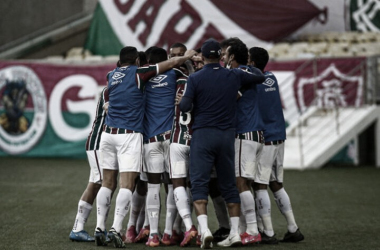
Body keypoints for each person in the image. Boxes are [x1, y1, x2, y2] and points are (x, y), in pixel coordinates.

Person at [94, 46, 196, 248]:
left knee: (118, 184)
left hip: (116, 135)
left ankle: (106, 228)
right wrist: (186, 58)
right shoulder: (150, 75)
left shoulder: (111, 75)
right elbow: (176, 67)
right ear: (138, 62)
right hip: (151, 136)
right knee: (145, 184)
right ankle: (176, 229)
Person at [180, 38, 265, 249]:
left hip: (203, 135)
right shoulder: (233, 74)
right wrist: (240, 68)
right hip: (227, 136)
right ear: (220, 56)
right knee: (228, 185)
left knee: (199, 184)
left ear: (204, 56)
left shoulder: (196, 78)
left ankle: (205, 230)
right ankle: (235, 233)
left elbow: (184, 106)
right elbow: (259, 76)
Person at [249, 47, 305, 244]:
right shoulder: (271, 77)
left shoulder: (252, 83)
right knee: (276, 183)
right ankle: (292, 227)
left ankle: (269, 232)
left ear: (252, 64)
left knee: (259, 184)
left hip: (265, 138)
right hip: (279, 136)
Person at [142, 47, 193, 247]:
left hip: (151, 139)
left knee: (153, 186)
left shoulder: (143, 78)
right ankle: (168, 233)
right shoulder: (176, 74)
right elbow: (193, 80)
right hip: (172, 137)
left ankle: (153, 234)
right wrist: (187, 61)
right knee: (174, 184)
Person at [222, 42, 264, 245]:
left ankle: (253, 230)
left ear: (232, 57)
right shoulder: (249, 72)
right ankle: (247, 229)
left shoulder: (235, 75)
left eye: (225, 53)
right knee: (247, 183)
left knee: (240, 183)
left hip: (244, 133)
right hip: (257, 134)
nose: (222, 56)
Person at [168, 42, 198, 247]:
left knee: (176, 185)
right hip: (197, 141)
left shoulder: (170, 81)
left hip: (178, 140)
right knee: (195, 186)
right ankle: (188, 229)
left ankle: (187, 227)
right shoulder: (201, 83)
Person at [69, 86, 108, 242]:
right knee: (103, 182)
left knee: (96, 182)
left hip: (101, 143)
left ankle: (78, 228)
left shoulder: (114, 87)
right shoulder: (110, 89)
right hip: (98, 143)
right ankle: (95, 228)